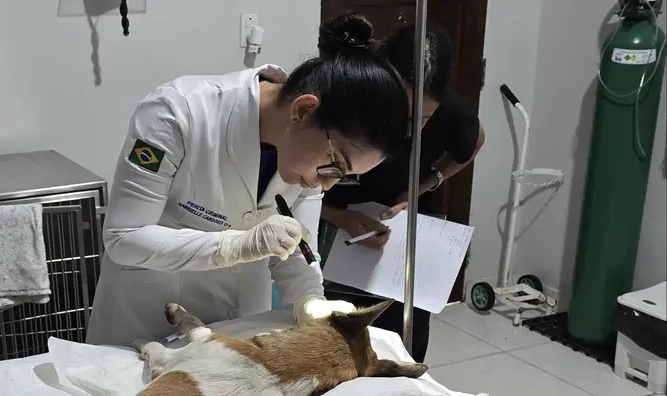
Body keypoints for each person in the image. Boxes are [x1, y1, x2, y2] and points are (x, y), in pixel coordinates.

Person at [87, 14, 409, 346]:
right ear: (302, 112)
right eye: (335, 165)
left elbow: (297, 246)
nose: (325, 185)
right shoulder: (176, 112)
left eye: (345, 177)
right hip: (150, 321)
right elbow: (124, 237)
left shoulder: (306, 164)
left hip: (241, 328)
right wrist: (236, 246)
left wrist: (308, 298)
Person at [319, 18, 486, 362]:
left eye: (422, 119)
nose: (407, 131)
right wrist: (339, 216)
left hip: (397, 236)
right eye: (400, 113)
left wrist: (422, 186)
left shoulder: (452, 113)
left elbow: (475, 140)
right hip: (333, 229)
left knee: (401, 347)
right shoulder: (347, 97)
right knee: (334, 344)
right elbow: (292, 182)